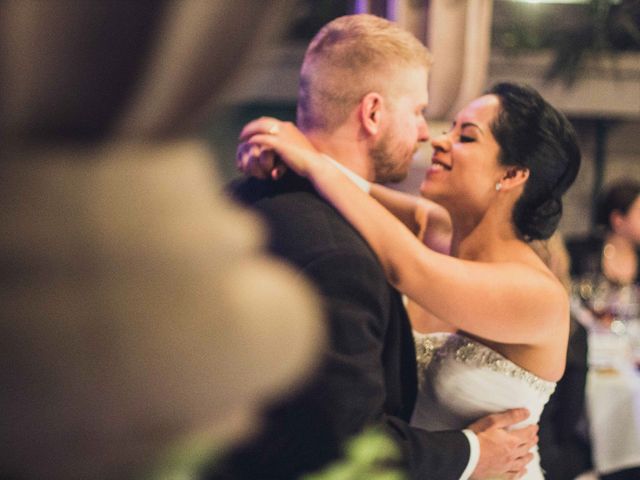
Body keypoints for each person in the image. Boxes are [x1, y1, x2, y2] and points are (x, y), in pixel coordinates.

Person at [213, 14, 542, 480]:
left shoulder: (243, 195)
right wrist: (473, 453)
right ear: (372, 113)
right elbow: (346, 444)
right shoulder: (340, 256)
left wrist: (307, 158)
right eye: (419, 112)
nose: (430, 135)